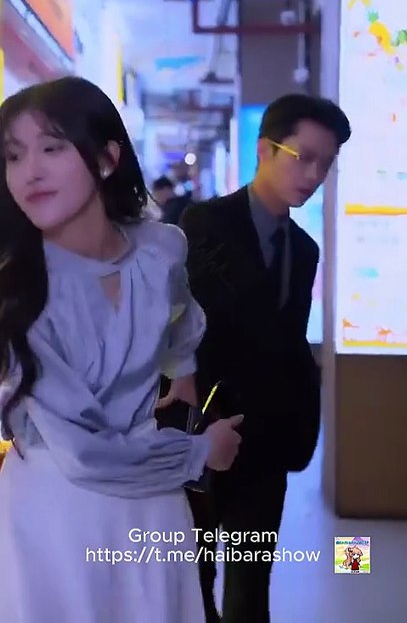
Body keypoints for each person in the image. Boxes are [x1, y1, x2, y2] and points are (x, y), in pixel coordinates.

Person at [0, 76, 243, 623]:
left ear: (107, 159)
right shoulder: (19, 292)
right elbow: (85, 455)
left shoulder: (160, 248)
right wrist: (200, 452)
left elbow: (182, 321)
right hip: (56, 508)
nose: (29, 171)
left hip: (152, 502)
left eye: (51, 148)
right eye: (13, 156)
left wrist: (182, 378)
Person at [179, 94, 351, 623]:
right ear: (265, 150)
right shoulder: (203, 224)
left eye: (326, 163)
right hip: (201, 430)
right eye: (304, 157)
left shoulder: (304, 250)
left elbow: (288, 342)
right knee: (193, 576)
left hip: (266, 440)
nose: (314, 175)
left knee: (252, 581)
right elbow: (180, 330)